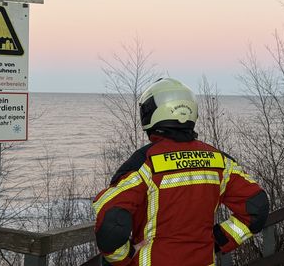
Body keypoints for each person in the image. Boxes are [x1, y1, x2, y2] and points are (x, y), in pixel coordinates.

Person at [93, 77, 269, 266]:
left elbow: (111, 223)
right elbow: (257, 208)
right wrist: (219, 239)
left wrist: (124, 257)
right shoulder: (219, 161)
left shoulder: (146, 162)